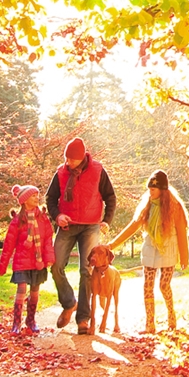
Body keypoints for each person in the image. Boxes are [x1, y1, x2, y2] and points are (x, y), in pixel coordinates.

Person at [46, 137, 117, 335]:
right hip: (67, 226)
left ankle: (83, 319)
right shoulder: (61, 172)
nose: (68, 163)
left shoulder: (98, 171)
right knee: (56, 264)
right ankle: (69, 303)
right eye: (66, 159)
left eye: (72, 160)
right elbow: (50, 198)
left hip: (91, 226)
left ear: (81, 158)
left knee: (87, 271)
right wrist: (57, 215)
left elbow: (110, 196)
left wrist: (106, 220)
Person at [106, 170, 189, 333]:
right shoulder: (147, 205)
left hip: (168, 249)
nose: (150, 192)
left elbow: (181, 231)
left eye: (153, 189)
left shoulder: (174, 206)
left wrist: (184, 257)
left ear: (162, 190)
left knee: (164, 285)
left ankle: (171, 317)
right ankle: (150, 324)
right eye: (149, 189)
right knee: (147, 286)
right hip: (150, 248)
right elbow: (133, 226)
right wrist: (112, 244)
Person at [0, 185, 56, 335]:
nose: (37, 198)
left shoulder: (43, 218)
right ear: (24, 200)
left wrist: (49, 257)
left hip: (38, 261)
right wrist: (2, 265)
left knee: (35, 291)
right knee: (21, 290)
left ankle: (31, 320)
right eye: (33, 196)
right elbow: (8, 245)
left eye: (37, 195)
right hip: (22, 261)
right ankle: (16, 323)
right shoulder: (18, 221)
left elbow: (48, 239)